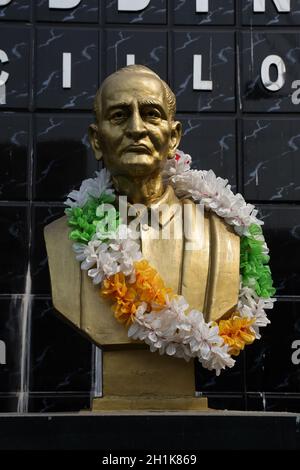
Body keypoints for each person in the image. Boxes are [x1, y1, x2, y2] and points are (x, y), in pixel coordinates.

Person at [44, 66, 240, 410]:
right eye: (119, 116)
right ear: (96, 139)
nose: (136, 128)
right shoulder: (61, 238)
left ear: (173, 137)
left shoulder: (222, 237)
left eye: (151, 114)